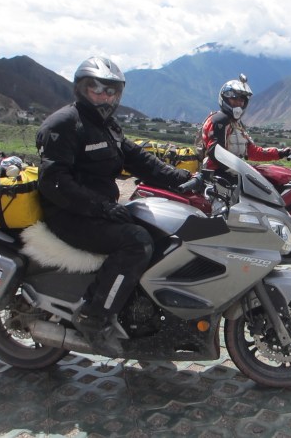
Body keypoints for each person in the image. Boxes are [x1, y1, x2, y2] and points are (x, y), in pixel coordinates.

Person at [35, 56, 191, 356]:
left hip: (97, 210)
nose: (105, 97)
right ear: (81, 89)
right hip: (69, 214)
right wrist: (101, 208)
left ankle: (139, 314)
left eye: (111, 91)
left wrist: (184, 179)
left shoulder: (106, 126)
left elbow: (138, 159)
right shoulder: (63, 124)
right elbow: (54, 182)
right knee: (137, 243)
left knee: (161, 231)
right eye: (96, 90)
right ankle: (94, 317)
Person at [200, 74, 291, 171]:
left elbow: (252, 152)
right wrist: (240, 169)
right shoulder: (219, 120)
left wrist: (280, 153)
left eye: (241, 100)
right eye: (234, 99)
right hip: (217, 174)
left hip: (234, 172)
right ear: (225, 98)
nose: (238, 103)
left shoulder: (237, 124)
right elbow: (215, 152)